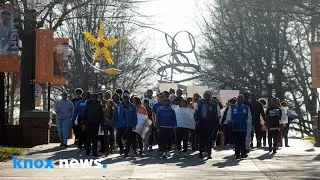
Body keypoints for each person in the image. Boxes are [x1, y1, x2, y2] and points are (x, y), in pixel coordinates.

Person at [194, 91, 221, 159]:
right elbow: (195, 111)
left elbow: (218, 113)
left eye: (208, 95)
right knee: (201, 138)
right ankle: (201, 152)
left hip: (210, 123)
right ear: (203, 96)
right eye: (205, 95)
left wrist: (216, 123)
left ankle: (209, 153)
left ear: (210, 96)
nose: (207, 96)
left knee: (209, 139)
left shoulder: (214, 103)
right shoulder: (199, 103)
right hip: (201, 123)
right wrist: (197, 119)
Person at [226, 94, 252, 160]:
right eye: (239, 99)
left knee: (243, 141)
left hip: (244, 127)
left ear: (243, 100)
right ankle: (237, 154)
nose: (240, 100)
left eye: (241, 99)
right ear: (237, 99)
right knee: (237, 141)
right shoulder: (232, 107)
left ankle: (243, 153)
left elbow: (249, 117)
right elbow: (228, 115)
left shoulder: (246, 107)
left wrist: (249, 126)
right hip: (235, 127)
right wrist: (229, 121)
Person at [113, 92, 138, 157]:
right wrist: (115, 124)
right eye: (124, 98)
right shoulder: (118, 106)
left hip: (129, 125)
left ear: (129, 98)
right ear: (122, 98)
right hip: (120, 125)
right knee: (118, 138)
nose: (125, 99)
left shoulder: (132, 106)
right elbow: (115, 115)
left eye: (127, 98)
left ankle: (126, 151)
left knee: (129, 139)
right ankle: (121, 148)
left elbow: (134, 116)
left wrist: (134, 124)